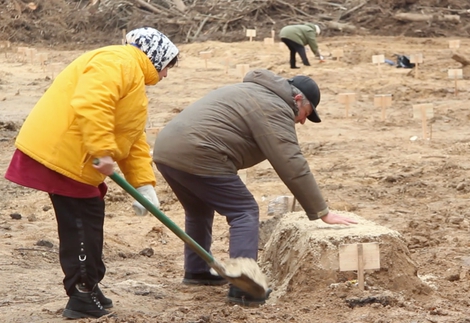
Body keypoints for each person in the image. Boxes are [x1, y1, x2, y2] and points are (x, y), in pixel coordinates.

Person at [4, 27, 179, 319]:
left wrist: (144, 184)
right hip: (67, 155)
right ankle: (82, 293)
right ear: (156, 58)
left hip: (78, 157)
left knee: (87, 217)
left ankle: (88, 288)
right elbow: (92, 103)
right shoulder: (118, 62)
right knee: (82, 223)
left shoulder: (132, 76)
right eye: (167, 68)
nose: (166, 76)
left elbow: (132, 137)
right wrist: (101, 150)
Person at [152, 68, 358, 306]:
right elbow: (291, 162)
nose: (302, 121)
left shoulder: (253, 92)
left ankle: (196, 271)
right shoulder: (275, 106)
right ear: (298, 99)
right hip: (200, 151)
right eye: (305, 114)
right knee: (244, 211)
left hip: (166, 150)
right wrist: (322, 212)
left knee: (199, 209)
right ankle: (244, 287)